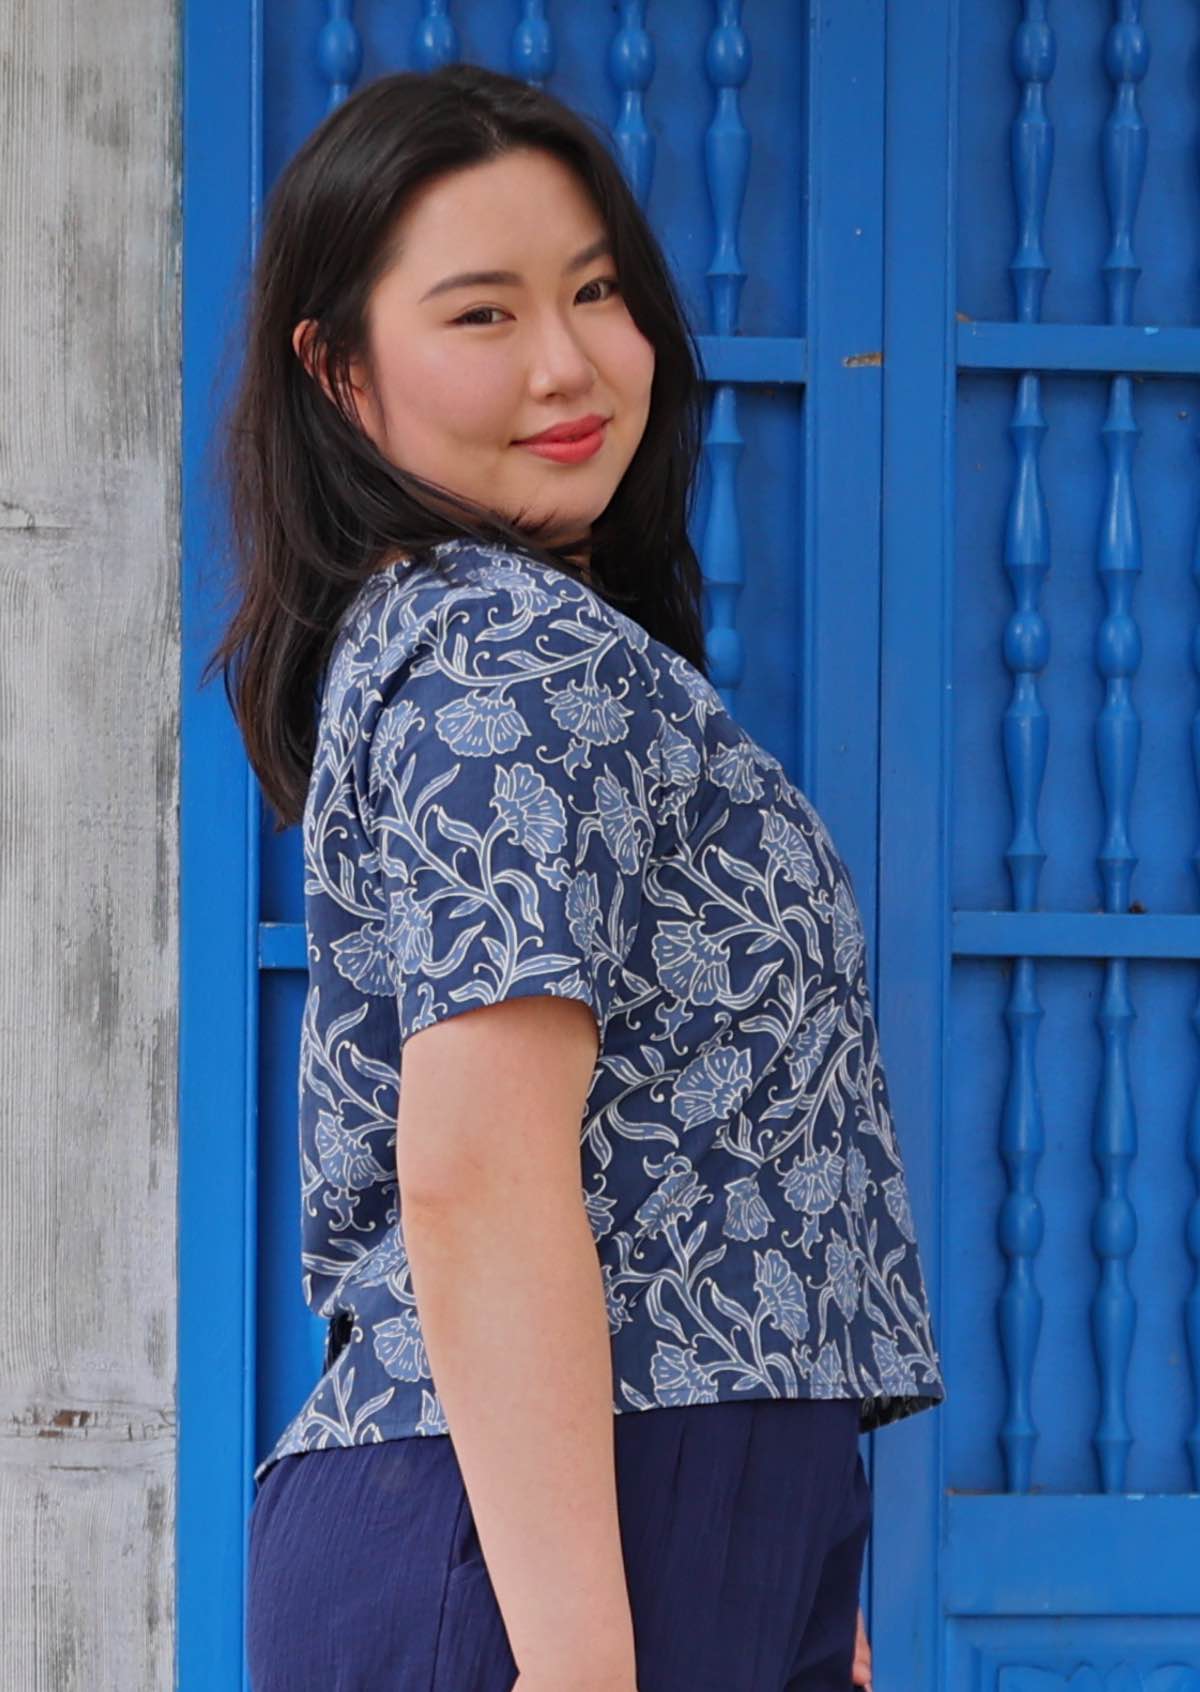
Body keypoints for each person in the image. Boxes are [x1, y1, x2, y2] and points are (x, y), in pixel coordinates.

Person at [209, 60, 946, 1692]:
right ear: (334, 374)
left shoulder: (531, 646)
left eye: (598, 289)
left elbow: (699, 1166)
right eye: (481, 315)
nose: (569, 361)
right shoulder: (497, 649)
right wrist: (583, 1662)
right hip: (546, 1559)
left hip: (642, 1526)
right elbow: (477, 1171)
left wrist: (817, 1596)